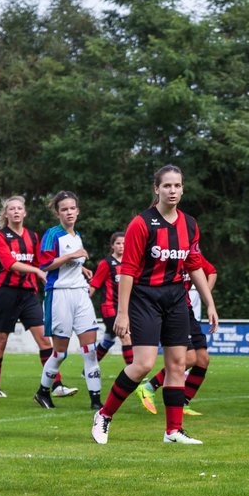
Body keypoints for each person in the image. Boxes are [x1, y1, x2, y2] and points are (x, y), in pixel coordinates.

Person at [91, 164, 217, 445]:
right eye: (167, 186)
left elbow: (195, 265)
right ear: (156, 189)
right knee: (144, 364)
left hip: (176, 299)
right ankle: (104, 414)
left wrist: (209, 303)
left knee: (176, 364)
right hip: (145, 298)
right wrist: (121, 314)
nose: (172, 191)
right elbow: (128, 270)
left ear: (183, 188)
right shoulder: (142, 223)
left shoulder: (190, 224)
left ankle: (173, 431)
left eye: (177, 186)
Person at [0, 195, 76, 399]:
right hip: (6, 293)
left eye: (19, 208)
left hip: (28, 295)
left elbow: (43, 262)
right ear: (6, 214)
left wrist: (67, 270)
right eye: (12, 209)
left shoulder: (33, 237)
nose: (16, 211)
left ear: (24, 213)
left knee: (45, 340)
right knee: (1, 340)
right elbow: (9, 263)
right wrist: (36, 272)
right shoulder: (0, 236)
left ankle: (57, 385)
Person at [33, 191, 102, 411]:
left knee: (90, 349)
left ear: (78, 210)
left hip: (80, 294)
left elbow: (69, 262)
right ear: (58, 212)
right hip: (59, 295)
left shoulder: (76, 235)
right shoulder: (53, 234)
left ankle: (96, 400)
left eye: (72, 208)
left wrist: (81, 268)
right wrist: (72, 257)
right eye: (64, 209)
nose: (69, 212)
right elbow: (45, 265)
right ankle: (43, 391)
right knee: (60, 352)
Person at [137, 257, 217, 416]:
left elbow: (212, 272)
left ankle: (183, 402)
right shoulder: (166, 254)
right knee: (189, 358)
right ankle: (148, 388)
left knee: (202, 359)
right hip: (172, 311)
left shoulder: (191, 254)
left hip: (187, 310)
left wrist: (206, 298)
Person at [90, 232, 133, 366]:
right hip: (109, 308)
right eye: (118, 243)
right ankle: (133, 372)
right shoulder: (106, 263)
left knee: (109, 339)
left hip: (124, 308)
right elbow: (94, 285)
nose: (122, 246)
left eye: (124, 243)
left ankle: (89, 369)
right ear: (112, 246)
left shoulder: (131, 262)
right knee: (126, 338)